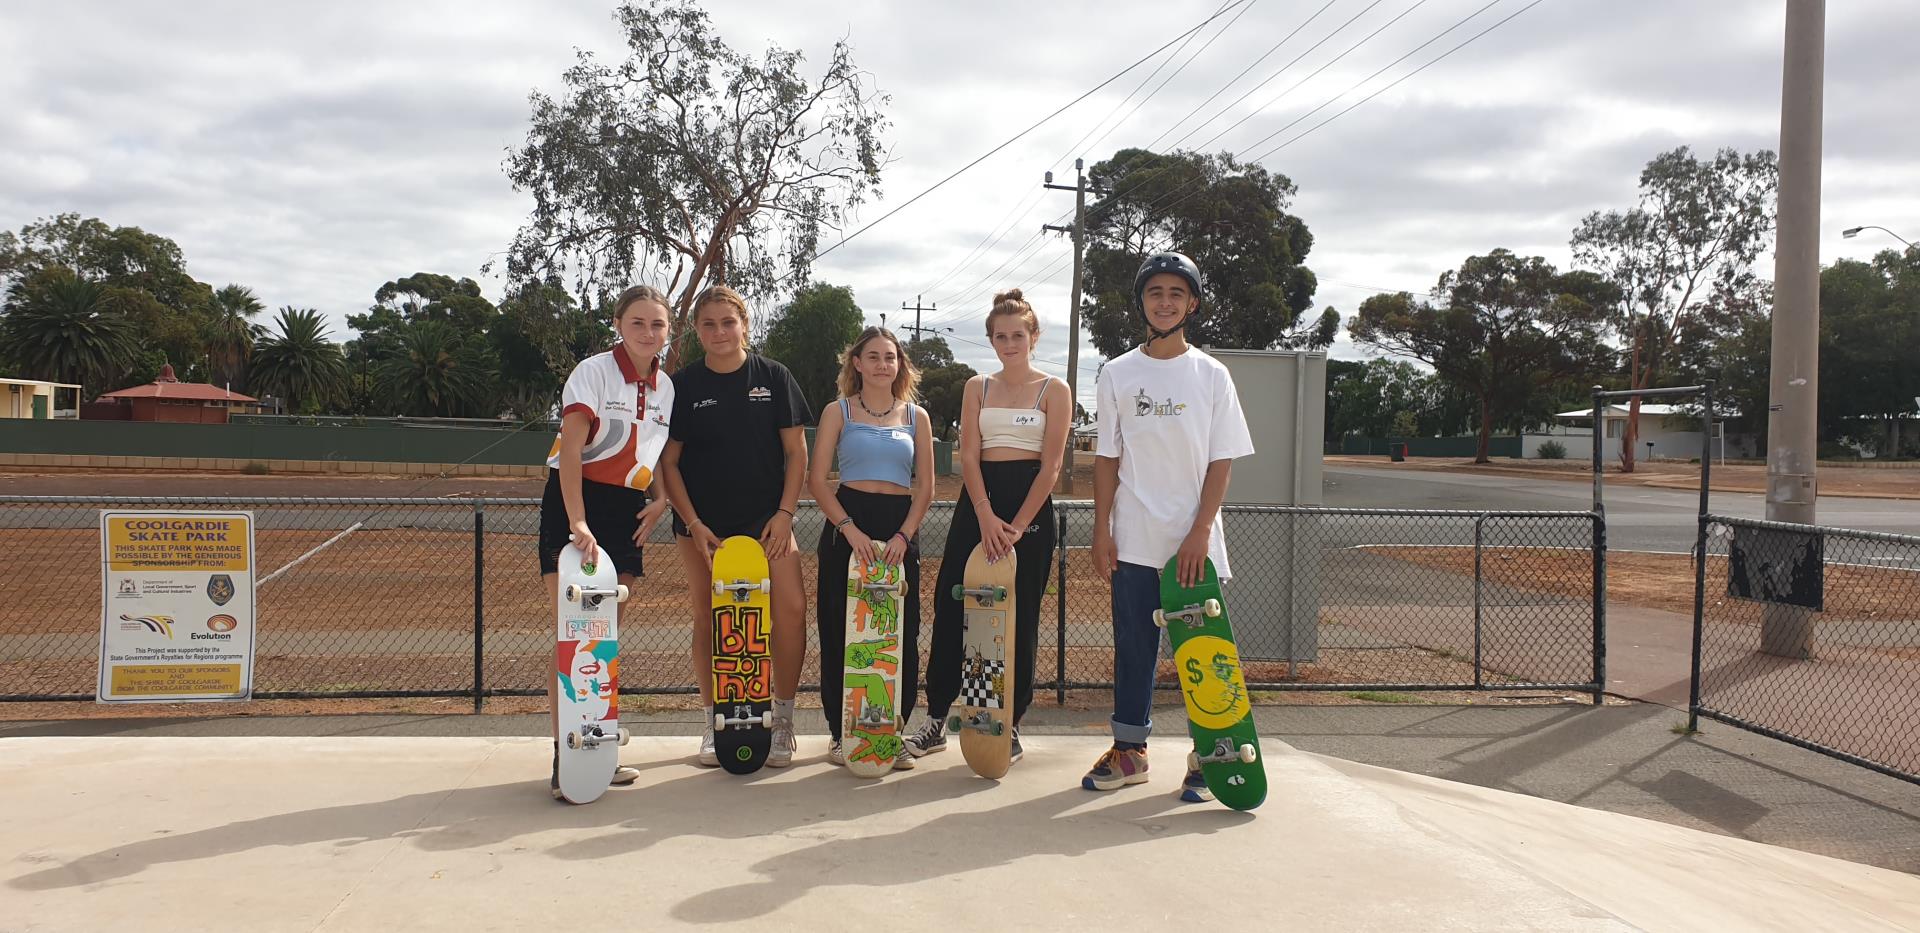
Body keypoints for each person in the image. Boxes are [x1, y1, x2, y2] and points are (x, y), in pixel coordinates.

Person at [1083, 252, 1254, 803]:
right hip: (1134, 536)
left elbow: (1221, 460)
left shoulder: (1211, 375)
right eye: (1155, 292)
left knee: (1202, 652)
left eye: (1176, 293)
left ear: (1193, 304)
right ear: (1142, 302)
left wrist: (1201, 531)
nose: (1164, 301)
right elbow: (1108, 458)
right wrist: (1102, 528)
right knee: (1134, 647)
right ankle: (1129, 751)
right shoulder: (1117, 373)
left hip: (1193, 542)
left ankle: (1211, 753)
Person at [905, 289, 1071, 766]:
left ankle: (1007, 724)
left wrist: (1017, 527)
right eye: (1001, 336)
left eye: (1018, 334)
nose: (1010, 343)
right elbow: (970, 456)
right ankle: (938, 716)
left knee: (1016, 617)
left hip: (1028, 512)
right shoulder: (977, 386)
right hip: (977, 504)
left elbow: (1052, 465)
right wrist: (983, 514)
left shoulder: (1053, 391)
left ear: (1034, 337)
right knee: (954, 605)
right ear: (991, 340)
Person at [659, 285, 811, 768]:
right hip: (704, 527)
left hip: (768, 522)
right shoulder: (683, 385)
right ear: (697, 331)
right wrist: (693, 522)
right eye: (709, 324)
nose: (720, 332)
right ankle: (715, 723)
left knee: (789, 611)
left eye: (728, 322)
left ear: (745, 324)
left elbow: (796, 453)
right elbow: (670, 462)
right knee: (710, 619)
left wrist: (785, 515)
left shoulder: (774, 377)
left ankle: (781, 721)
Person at [541, 285, 676, 798]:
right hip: (575, 500)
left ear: (667, 331)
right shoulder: (592, 372)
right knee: (573, 637)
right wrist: (578, 521)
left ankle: (595, 753)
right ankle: (566, 755)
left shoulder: (667, 386)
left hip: (627, 507)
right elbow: (571, 452)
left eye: (657, 325)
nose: (648, 333)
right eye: (638, 323)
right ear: (619, 324)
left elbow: (657, 448)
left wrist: (660, 497)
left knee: (604, 638)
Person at [808, 326, 934, 769]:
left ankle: (890, 734)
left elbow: (926, 489)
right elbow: (817, 480)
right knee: (841, 630)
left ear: (900, 365)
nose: (884, 364)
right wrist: (849, 529)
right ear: (857, 363)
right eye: (874, 356)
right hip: (848, 526)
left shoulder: (917, 416)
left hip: (899, 529)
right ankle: (842, 734)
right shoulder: (837, 412)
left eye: (891, 357)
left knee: (900, 633)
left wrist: (903, 536)